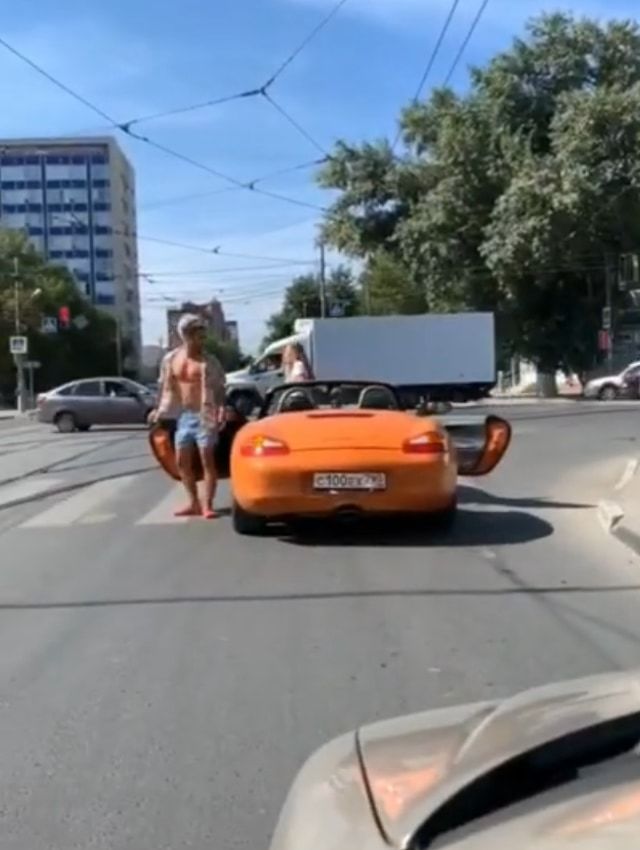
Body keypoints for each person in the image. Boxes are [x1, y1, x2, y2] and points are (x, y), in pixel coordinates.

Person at [154, 314, 226, 519]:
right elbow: (164, 387)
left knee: (207, 459)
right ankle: (193, 502)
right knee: (181, 461)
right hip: (183, 415)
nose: (201, 340)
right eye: (197, 335)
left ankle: (207, 505)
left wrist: (220, 407)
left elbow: (220, 388)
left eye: (203, 336)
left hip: (204, 414)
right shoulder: (171, 359)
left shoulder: (209, 361)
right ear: (185, 336)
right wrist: (157, 408)